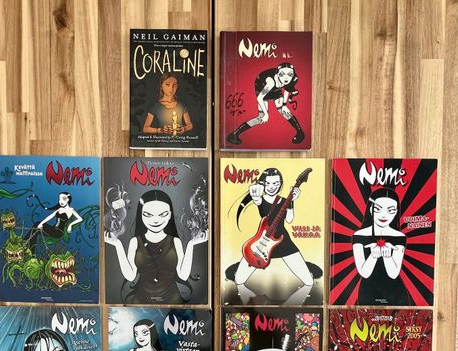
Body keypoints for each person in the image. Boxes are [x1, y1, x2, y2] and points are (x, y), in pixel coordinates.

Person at [226, 168, 313, 304]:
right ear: (263, 183)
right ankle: (252, 310)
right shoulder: (260, 199)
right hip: (261, 243)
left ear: (280, 183)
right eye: (268, 183)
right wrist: (254, 191)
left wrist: (292, 201)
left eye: (276, 183)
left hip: (283, 242)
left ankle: (288, 311)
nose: (272, 187)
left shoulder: (285, 200)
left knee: (309, 282)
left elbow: (289, 220)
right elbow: (255, 197)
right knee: (239, 280)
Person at [104, 190, 207, 304]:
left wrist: (191, 244)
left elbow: (183, 275)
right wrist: (117, 245)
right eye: (148, 215)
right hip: (141, 301)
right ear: (141, 215)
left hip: (172, 301)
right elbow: (130, 276)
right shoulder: (135, 241)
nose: (156, 220)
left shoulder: (175, 241)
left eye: (163, 214)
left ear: (169, 215)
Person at [353, 188, 409, 305]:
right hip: (368, 293)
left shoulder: (400, 236)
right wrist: (373, 256)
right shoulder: (359, 235)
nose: (384, 215)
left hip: (395, 294)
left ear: (396, 212)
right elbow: (364, 273)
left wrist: (387, 257)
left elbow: (393, 274)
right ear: (371, 209)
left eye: (391, 210)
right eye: (378, 209)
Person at [226, 63, 305, 145]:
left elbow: (287, 89)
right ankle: (234, 134)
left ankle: (300, 133)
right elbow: (259, 98)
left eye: (290, 74)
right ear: (277, 74)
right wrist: (266, 114)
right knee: (261, 117)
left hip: (276, 89)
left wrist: (284, 105)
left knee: (284, 111)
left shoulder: (293, 79)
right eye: (282, 74)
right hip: (262, 87)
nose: (286, 78)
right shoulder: (271, 82)